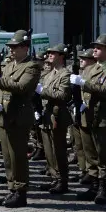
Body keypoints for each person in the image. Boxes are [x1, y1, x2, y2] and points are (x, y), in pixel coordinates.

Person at [0, 30, 41, 208]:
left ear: (25, 47)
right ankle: (12, 189)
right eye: (11, 47)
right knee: (7, 156)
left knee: (18, 156)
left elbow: (21, 87)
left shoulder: (31, 66)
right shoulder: (9, 66)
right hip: (5, 114)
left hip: (19, 116)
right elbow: (1, 88)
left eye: (15, 47)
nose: (12, 50)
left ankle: (21, 191)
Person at [72, 35, 106, 205]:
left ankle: (103, 188)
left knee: (103, 154)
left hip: (102, 117)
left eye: (99, 47)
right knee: (90, 153)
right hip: (87, 115)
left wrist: (83, 84)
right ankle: (93, 185)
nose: (95, 49)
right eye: (95, 47)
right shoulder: (89, 69)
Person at [37, 44, 72, 195]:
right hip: (47, 115)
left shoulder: (65, 74)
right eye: (49, 53)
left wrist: (43, 91)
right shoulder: (49, 74)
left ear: (61, 56)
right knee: (49, 150)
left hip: (58, 115)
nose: (50, 55)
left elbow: (63, 95)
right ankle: (54, 178)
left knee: (58, 150)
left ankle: (62, 180)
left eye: (53, 53)